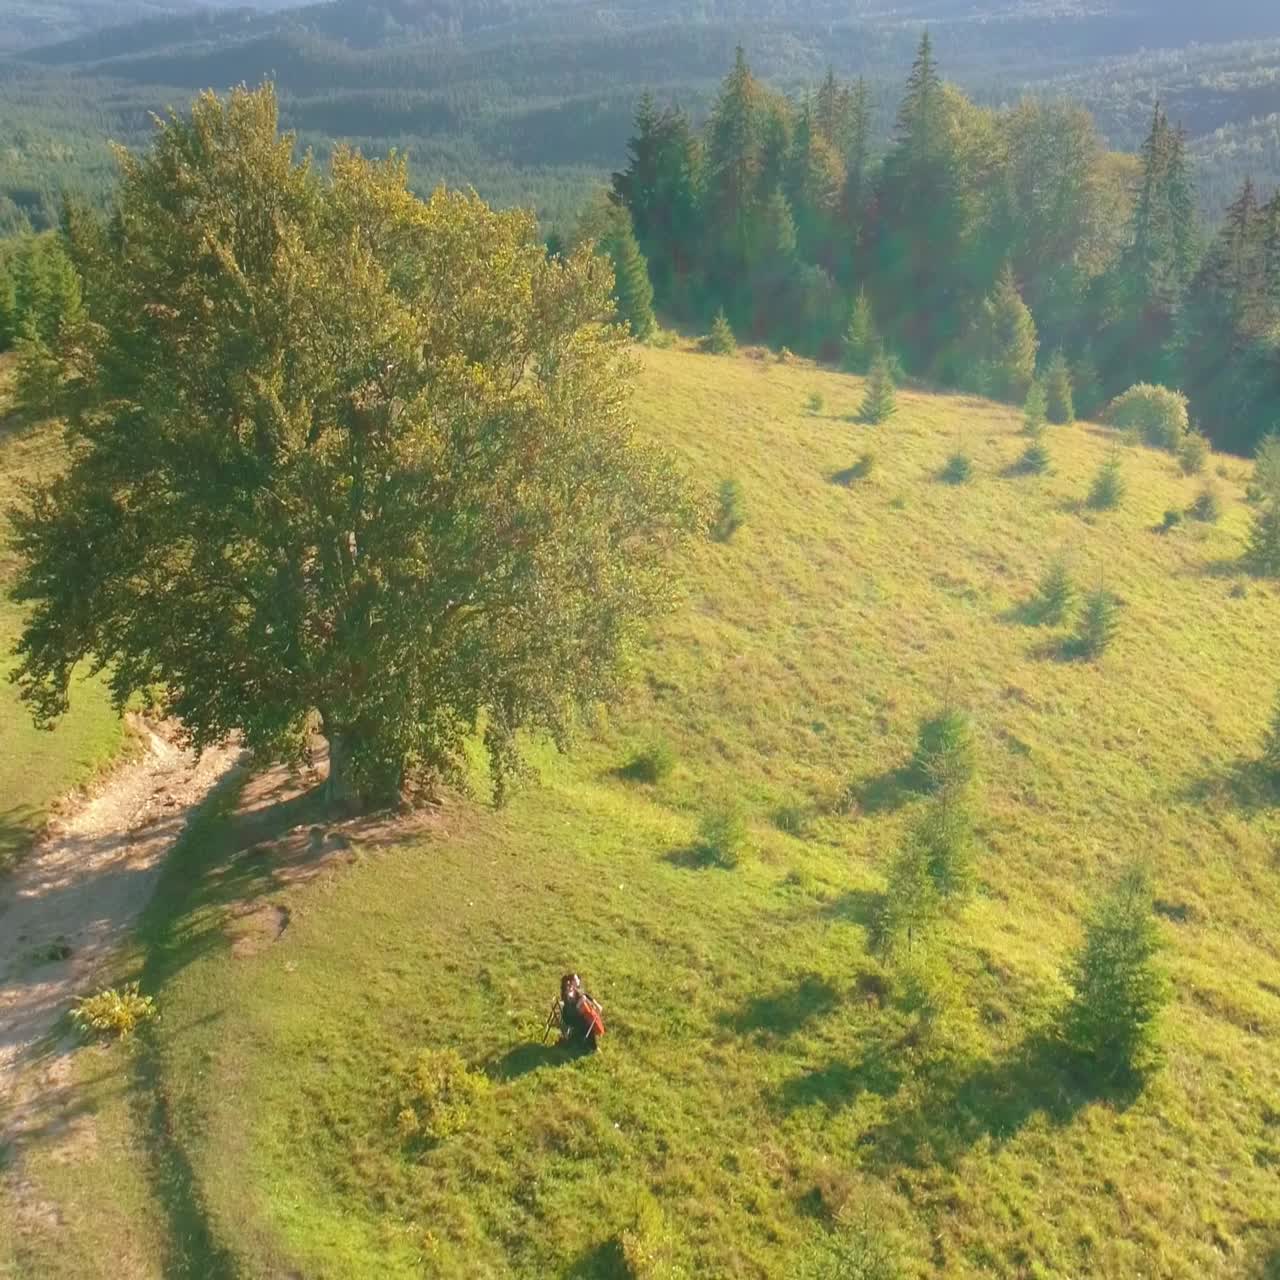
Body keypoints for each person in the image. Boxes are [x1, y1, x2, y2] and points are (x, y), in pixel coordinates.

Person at [558, 972, 604, 1052]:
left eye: (570, 985)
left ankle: (587, 1044)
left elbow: (585, 995)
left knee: (587, 1022)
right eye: (567, 986)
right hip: (570, 1018)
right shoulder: (566, 996)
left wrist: (596, 1004)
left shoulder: (574, 991)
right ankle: (593, 1047)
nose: (570, 987)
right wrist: (579, 1004)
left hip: (577, 1015)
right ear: (565, 987)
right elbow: (571, 1011)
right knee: (586, 1024)